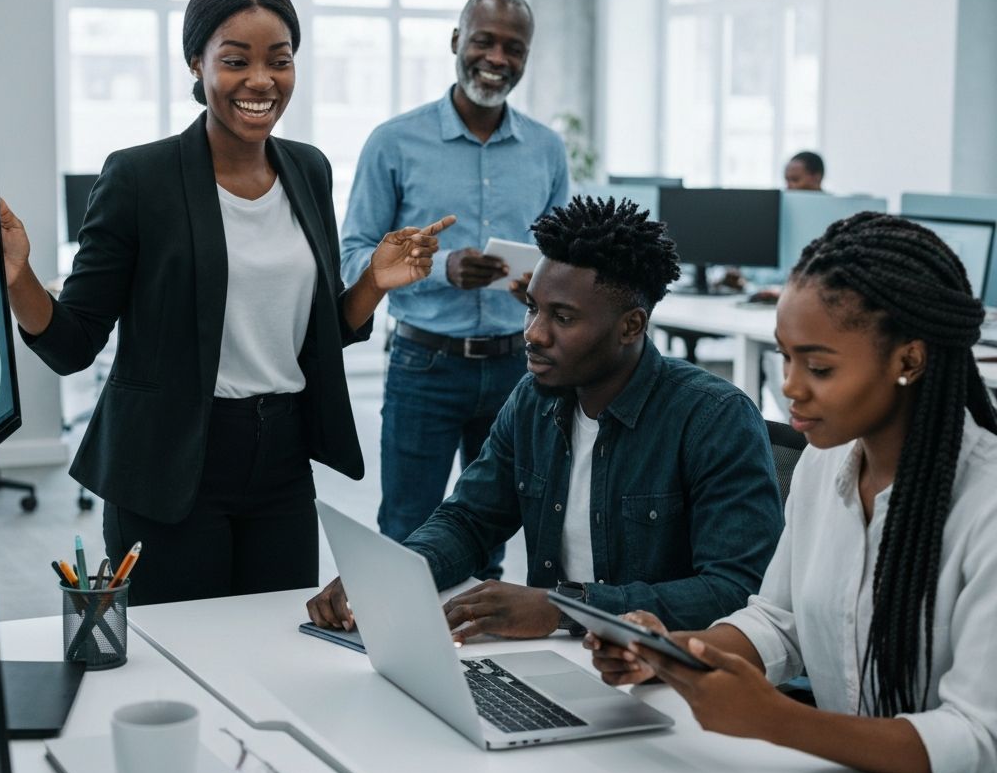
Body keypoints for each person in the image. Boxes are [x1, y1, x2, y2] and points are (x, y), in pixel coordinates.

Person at [0, 0, 453, 606]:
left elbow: (324, 331)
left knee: (275, 645)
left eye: (280, 61)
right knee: (179, 657)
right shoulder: (139, 177)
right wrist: (18, 276)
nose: (261, 81)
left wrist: (374, 282)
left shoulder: (309, 168)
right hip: (172, 457)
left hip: (281, 459)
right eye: (236, 61)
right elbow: (74, 342)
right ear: (197, 63)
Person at [587, 212, 997, 773]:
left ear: (908, 361)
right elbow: (778, 621)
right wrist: (675, 653)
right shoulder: (826, 463)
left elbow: (982, 748)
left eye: (819, 367)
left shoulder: (983, 506)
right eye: (785, 359)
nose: (790, 388)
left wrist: (777, 721)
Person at [309, 196, 783, 639]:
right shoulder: (533, 401)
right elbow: (470, 520)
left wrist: (567, 608)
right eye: (533, 308)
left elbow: (737, 590)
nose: (533, 334)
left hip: (666, 673)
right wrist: (390, 573)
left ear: (631, 326)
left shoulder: (714, 419)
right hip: (555, 657)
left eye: (563, 318)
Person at [339, 0, 568, 580]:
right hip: (425, 365)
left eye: (513, 48)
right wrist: (441, 268)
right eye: (484, 41)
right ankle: (394, 657)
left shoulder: (546, 149)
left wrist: (542, 283)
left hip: (518, 368)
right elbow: (352, 255)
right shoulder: (395, 141)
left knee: (490, 534)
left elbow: (564, 257)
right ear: (456, 43)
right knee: (407, 531)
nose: (497, 57)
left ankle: (474, 664)